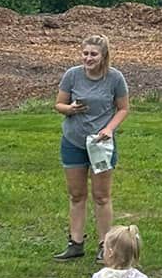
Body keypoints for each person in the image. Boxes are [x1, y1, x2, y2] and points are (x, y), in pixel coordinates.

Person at [54, 34, 130, 262]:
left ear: (103, 55)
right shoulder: (72, 75)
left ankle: (105, 245)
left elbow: (123, 108)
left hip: (100, 145)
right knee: (76, 195)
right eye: (85, 53)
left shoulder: (115, 78)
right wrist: (69, 109)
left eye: (93, 54)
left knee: (101, 196)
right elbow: (58, 104)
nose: (88, 58)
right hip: (73, 141)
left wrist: (109, 129)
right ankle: (75, 243)